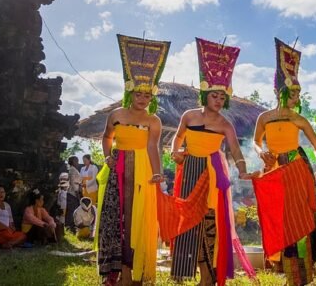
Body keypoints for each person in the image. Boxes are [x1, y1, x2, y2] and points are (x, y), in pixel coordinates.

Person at [251, 39, 316, 286]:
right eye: (293, 92)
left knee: (300, 221)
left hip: (297, 169)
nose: (297, 97)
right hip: (274, 171)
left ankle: (302, 277)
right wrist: (261, 151)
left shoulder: (300, 119)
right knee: (281, 222)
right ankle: (289, 275)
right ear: (279, 91)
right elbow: (256, 142)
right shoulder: (264, 117)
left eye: (298, 92)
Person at [166, 37, 258, 285]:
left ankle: (208, 276)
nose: (218, 101)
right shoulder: (189, 115)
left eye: (221, 97)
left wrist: (243, 169)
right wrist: (175, 152)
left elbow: (236, 151)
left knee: (209, 220)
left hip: (214, 171)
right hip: (189, 168)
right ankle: (181, 272)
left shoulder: (225, 124)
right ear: (205, 95)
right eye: (214, 96)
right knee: (186, 217)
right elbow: (177, 138)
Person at [95, 34, 168, 286]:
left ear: (152, 97)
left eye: (148, 96)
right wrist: (107, 157)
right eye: (139, 94)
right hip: (118, 169)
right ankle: (115, 274)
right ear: (130, 92)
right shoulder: (116, 114)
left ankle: (136, 272)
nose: (143, 99)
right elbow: (106, 138)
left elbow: (152, 147)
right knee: (116, 218)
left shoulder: (154, 120)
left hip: (142, 171)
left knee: (137, 220)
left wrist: (157, 173)